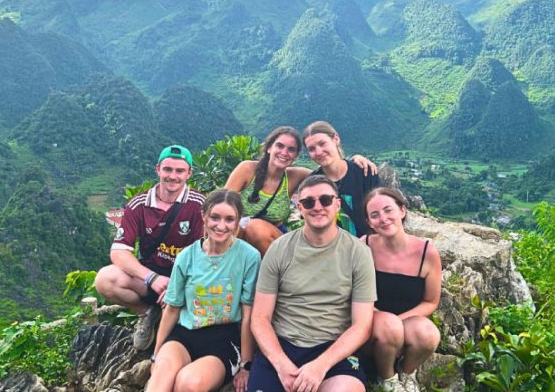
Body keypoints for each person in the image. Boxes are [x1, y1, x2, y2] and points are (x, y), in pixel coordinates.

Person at [248, 175, 376, 392]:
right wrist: (281, 364)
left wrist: (321, 366)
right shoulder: (280, 248)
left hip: (332, 348)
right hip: (283, 344)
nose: (317, 207)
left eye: (325, 200)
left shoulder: (358, 253)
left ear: (337, 204)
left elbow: (362, 325)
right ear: (299, 208)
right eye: (309, 202)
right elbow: (260, 317)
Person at [147, 189, 260, 392]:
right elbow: (172, 308)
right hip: (184, 333)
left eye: (229, 219)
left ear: (237, 222)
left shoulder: (249, 257)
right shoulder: (186, 256)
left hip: (223, 339)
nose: (221, 226)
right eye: (215, 217)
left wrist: (246, 365)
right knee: (161, 376)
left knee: (188, 384)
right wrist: (155, 356)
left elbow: (247, 314)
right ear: (204, 217)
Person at [95, 145, 205, 351]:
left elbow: (206, 254)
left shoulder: (199, 205)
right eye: (168, 169)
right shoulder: (138, 205)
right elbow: (118, 252)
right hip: (150, 278)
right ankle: (147, 313)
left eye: (180, 171)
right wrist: (152, 278)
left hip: (186, 280)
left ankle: (178, 320)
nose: (173, 176)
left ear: (189, 173)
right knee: (104, 279)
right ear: (158, 170)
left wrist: (178, 285)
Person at [225, 126, 377, 255]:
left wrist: (356, 160)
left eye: (291, 149)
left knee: (255, 227)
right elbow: (221, 204)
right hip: (235, 234)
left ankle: (280, 276)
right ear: (269, 147)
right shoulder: (247, 169)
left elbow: (330, 172)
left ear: (295, 156)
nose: (284, 152)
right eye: (279, 146)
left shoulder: (295, 176)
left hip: (270, 239)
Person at [361, 187, 442, 392]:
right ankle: (386, 380)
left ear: (402, 211)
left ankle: (406, 373)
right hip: (372, 321)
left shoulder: (426, 252)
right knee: (389, 328)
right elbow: (354, 294)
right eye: (375, 215)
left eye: (389, 210)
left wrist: (399, 321)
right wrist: (387, 322)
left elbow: (431, 301)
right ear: (369, 222)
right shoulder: (364, 246)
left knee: (428, 335)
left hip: (406, 320)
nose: (384, 219)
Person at [303, 121, 380, 237]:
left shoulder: (364, 172)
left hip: (370, 247)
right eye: (312, 149)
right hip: (335, 250)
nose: (318, 152)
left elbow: (380, 212)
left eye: (322, 143)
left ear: (336, 139)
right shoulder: (312, 184)